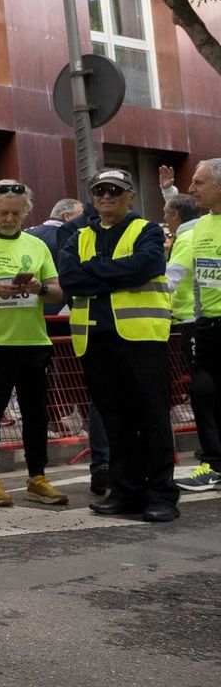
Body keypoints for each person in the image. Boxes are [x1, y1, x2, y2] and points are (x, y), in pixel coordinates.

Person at [57, 168, 178, 522]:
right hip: (95, 340)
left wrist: (95, 270)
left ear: (130, 196)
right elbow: (70, 280)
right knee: (115, 420)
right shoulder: (76, 237)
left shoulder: (148, 230)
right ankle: (126, 491)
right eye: (99, 191)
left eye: (114, 190)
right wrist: (115, 271)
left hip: (141, 339)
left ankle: (161, 495)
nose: (106, 196)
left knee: (152, 418)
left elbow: (148, 265)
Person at [0, 181, 69, 508]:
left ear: (25, 212)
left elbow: (57, 291)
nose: (10, 218)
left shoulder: (36, 245)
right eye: (3, 212)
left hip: (33, 341)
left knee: (36, 414)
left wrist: (39, 288)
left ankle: (37, 477)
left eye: (16, 212)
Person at [25, 198, 109, 491]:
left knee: (50, 379)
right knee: (76, 381)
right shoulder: (69, 233)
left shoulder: (28, 234)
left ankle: (57, 417)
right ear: (64, 215)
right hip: (64, 317)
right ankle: (65, 419)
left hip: (34, 319)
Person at [175, 158, 221, 492]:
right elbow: (181, 274)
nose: (191, 190)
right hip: (206, 326)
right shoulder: (197, 227)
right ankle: (214, 465)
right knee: (203, 393)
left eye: (200, 183)